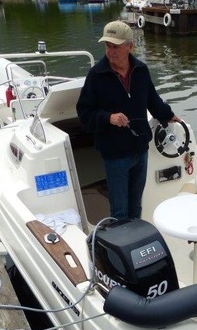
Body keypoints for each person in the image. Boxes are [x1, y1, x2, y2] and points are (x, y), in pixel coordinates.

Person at [77, 20, 180, 220]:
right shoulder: (96, 75)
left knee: (136, 206)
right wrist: (109, 118)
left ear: (130, 46)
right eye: (107, 46)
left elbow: (152, 100)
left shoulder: (141, 70)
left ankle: (136, 240)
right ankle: (121, 245)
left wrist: (168, 115)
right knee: (120, 209)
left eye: (115, 46)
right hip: (114, 154)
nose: (110, 51)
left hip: (140, 149)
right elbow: (84, 113)